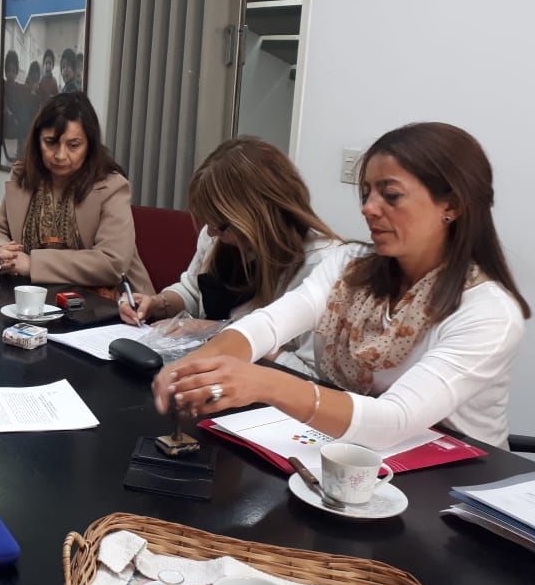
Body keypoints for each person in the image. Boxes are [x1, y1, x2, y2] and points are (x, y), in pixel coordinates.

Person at [153, 122, 529, 451]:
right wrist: (199, 364)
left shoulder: (489, 313)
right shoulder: (348, 264)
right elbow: (268, 324)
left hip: (459, 483)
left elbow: (395, 420)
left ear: (452, 205)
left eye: (390, 195)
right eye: (366, 193)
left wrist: (263, 383)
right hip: (356, 455)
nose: (368, 208)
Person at [119, 136, 345, 374]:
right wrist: (158, 303)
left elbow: (311, 375)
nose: (211, 232)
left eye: (220, 225)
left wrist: (221, 334)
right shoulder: (217, 237)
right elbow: (193, 291)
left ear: (258, 217)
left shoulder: (322, 266)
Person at [0, 91, 152, 294]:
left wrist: (33, 264)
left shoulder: (112, 187)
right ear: (37, 141)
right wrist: (0, 250)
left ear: (89, 145)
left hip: (106, 303)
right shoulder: (23, 176)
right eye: (50, 142)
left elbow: (112, 263)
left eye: (73, 145)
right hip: (33, 298)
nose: (60, 155)